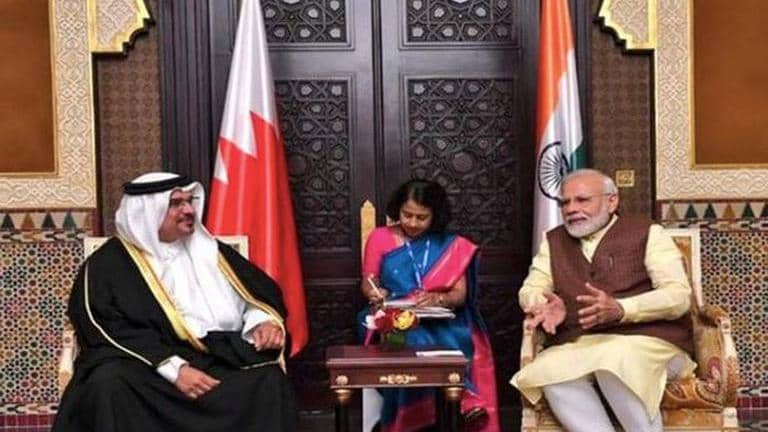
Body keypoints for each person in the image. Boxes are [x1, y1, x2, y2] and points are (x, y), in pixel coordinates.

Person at [52, 172, 296, 432]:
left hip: (213, 357)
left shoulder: (211, 250)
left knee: (268, 379)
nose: (189, 210)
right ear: (147, 212)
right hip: (148, 367)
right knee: (108, 382)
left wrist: (262, 321)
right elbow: (103, 327)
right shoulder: (108, 264)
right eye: (176, 203)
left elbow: (256, 295)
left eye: (189, 201)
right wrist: (174, 368)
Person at [510, 169, 696, 432]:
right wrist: (543, 303)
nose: (571, 209)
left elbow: (678, 296)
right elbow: (532, 287)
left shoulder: (648, 233)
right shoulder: (553, 241)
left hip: (652, 342)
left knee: (613, 361)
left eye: (582, 200)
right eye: (565, 202)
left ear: (612, 201)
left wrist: (622, 309)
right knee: (548, 369)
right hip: (583, 342)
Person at [359, 179, 500, 432]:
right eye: (407, 215)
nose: (413, 223)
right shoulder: (380, 237)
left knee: (444, 334)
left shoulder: (451, 245)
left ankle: (455, 401)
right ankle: (456, 402)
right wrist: (375, 292)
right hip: (392, 316)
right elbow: (369, 282)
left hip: (441, 318)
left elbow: (459, 295)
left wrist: (438, 299)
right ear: (398, 209)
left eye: (421, 217)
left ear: (435, 216)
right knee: (409, 335)